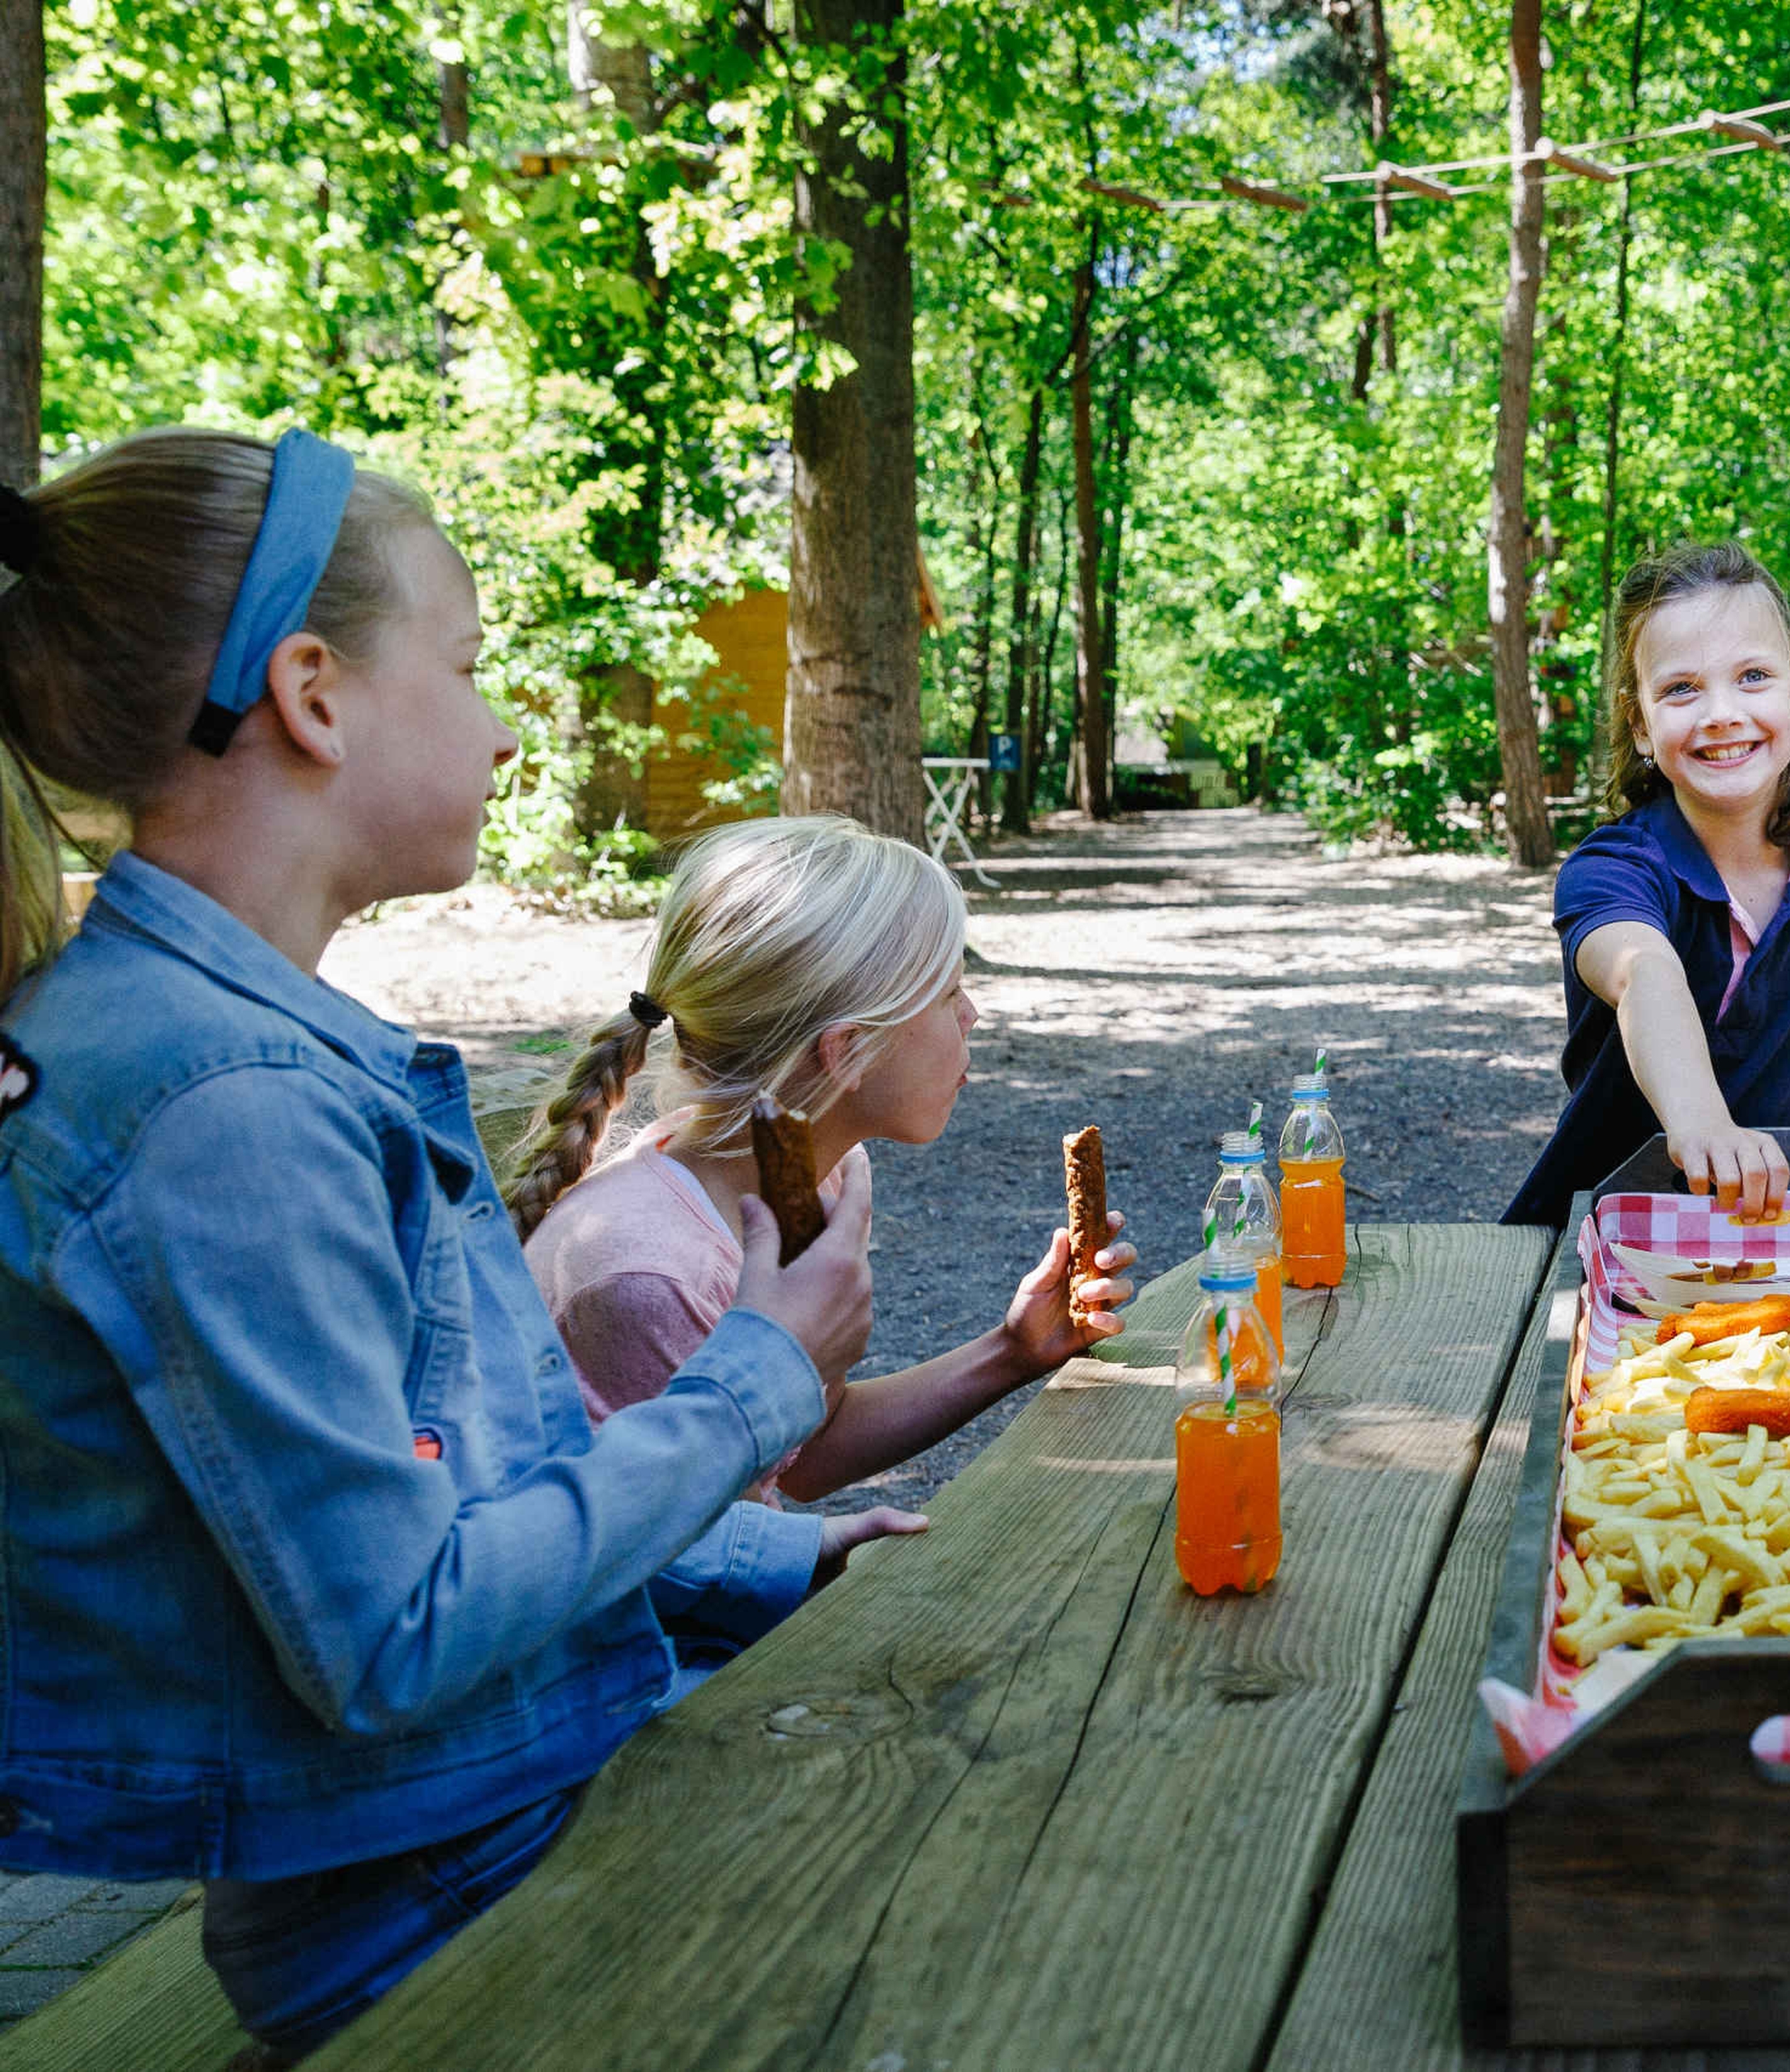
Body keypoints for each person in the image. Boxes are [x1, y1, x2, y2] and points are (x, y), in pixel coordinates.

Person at [0, 427, 873, 2059]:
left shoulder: (232, 1043)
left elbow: (461, 1479)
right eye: (468, 668)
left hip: (474, 1818)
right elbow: (398, 1629)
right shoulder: (218, 1101)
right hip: (447, 1890)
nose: (504, 724)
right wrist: (758, 1379)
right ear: (313, 695)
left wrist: (781, 1546)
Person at [509, 815, 1133, 1603]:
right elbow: (674, 1579)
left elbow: (798, 1451)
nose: (972, 1016)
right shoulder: (650, 1275)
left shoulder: (809, 1177)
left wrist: (1014, 1351)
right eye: (946, 993)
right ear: (847, 1051)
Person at [1503, 543, 1790, 1228]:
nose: (1721, 712)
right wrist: (1702, 1125)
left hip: (1780, 1235)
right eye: (1681, 688)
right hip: (1603, 1237)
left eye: (1753, 676)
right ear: (1641, 727)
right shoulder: (1609, 869)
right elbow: (1642, 972)